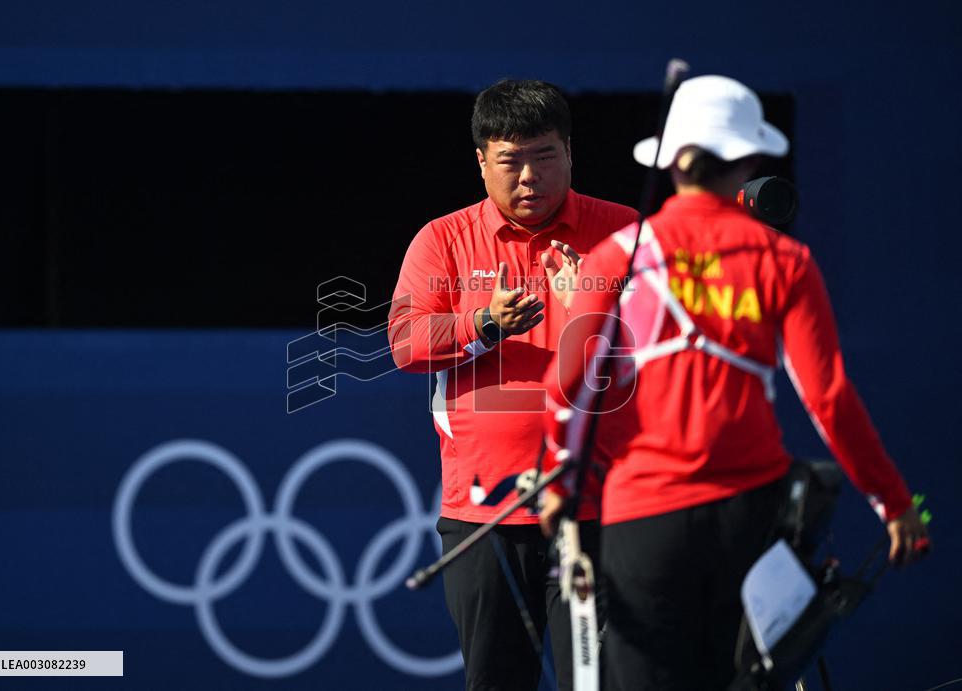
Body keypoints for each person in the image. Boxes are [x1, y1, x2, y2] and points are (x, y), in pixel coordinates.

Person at [538, 75, 930, 691]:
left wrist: (560, 480)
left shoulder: (617, 255)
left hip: (645, 518)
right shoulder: (785, 261)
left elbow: (569, 384)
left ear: (670, 161)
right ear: (747, 159)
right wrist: (893, 502)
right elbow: (826, 398)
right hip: (747, 517)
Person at [387, 79, 638, 691]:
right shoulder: (442, 239)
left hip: (596, 510)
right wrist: (484, 325)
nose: (529, 176)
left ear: (571, 153)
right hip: (483, 515)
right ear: (480, 161)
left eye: (544, 156)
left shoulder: (625, 233)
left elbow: (659, 361)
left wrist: (591, 307)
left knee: (602, 683)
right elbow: (404, 344)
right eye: (510, 160)